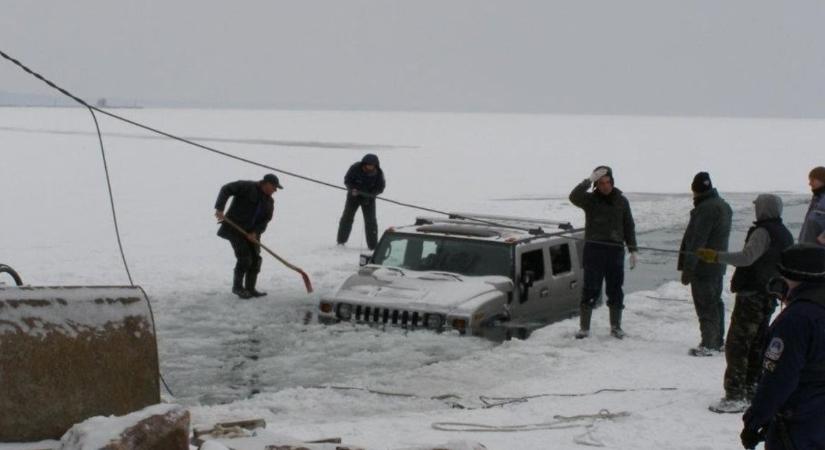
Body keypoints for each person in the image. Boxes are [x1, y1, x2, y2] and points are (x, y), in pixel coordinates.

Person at [696, 194, 793, 413]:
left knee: (738, 345)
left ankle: (735, 395)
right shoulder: (784, 233)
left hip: (753, 296)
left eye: (758, 207)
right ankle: (752, 389)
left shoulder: (763, 232)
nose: (756, 210)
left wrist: (715, 256)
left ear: (764, 209)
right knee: (757, 344)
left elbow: (747, 258)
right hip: (769, 295)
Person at [740, 244, 825, 450]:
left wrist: (755, 420)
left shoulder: (797, 319)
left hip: (802, 422)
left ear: (793, 277)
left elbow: (779, 377)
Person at [569, 166, 638, 339]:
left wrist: (633, 249)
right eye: (601, 183)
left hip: (615, 252)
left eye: (608, 182)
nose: (605, 186)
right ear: (596, 185)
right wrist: (588, 180)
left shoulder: (622, 201)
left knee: (615, 289)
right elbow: (573, 196)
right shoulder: (590, 200)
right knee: (590, 289)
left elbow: (628, 226)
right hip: (594, 251)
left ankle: (616, 327)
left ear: (612, 182)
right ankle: (584, 328)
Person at [678, 171, 732, 356]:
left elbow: (696, 242)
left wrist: (688, 270)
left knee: (705, 304)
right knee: (715, 302)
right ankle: (717, 340)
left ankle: (709, 343)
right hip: (717, 264)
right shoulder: (723, 205)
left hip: (703, 267)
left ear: (695, 190)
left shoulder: (706, 209)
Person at [214, 173, 282, 299]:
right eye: (274, 187)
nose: (275, 191)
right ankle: (238, 288)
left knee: (256, 259)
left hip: (252, 233)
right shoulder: (247, 186)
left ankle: (250, 289)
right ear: (267, 184)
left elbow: (265, 220)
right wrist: (219, 208)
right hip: (235, 229)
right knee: (245, 258)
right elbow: (226, 189)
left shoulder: (269, 201)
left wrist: (255, 233)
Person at [336, 153, 386, 250]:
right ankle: (341, 241)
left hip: (369, 199)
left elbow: (381, 187)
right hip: (353, 197)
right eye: (367, 164)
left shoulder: (379, 173)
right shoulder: (355, 168)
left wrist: (372, 194)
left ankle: (373, 246)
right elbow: (347, 180)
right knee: (347, 218)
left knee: (371, 221)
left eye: (371, 165)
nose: (369, 167)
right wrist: (352, 189)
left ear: (375, 165)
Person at [798, 166, 825, 247]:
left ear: (822, 180)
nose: (809, 183)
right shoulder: (816, 199)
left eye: (812, 180)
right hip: (808, 252)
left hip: (819, 254)